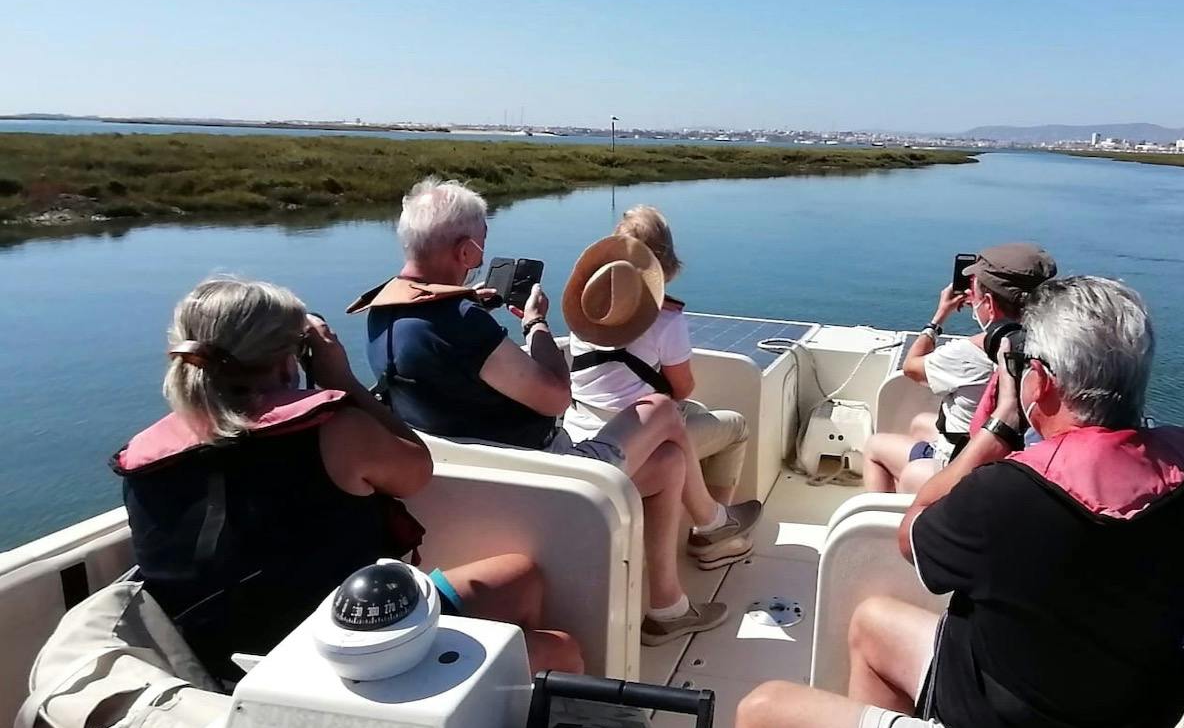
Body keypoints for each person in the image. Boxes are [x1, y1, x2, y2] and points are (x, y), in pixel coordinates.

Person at [737, 277, 1184, 728]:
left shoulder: (1009, 494)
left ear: (1042, 380)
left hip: (1008, 713)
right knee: (872, 622)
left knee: (763, 707)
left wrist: (1000, 431)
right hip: (1131, 712)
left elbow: (913, 535)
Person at [112, 277, 582, 684]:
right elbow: (417, 467)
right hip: (341, 659)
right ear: (288, 358)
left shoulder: (145, 461)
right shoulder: (337, 430)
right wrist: (343, 381)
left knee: (520, 577)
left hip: (227, 661)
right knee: (559, 650)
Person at [349, 176, 748, 644]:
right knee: (659, 407)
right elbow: (557, 395)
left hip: (482, 479)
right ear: (465, 251)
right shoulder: (461, 324)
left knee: (668, 461)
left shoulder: (383, 312)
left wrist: (469, 303)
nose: (480, 259)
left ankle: (668, 607)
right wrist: (536, 324)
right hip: (553, 478)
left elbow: (453, 367)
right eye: (480, 248)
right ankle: (713, 523)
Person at [564, 205, 751, 517]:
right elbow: (682, 388)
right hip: (636, 439)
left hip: (579, 430)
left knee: (698, 413)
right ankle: (717, 526)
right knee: (736, 427)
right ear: (662, 264)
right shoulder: (666, 321)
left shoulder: (585, 311)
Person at [862, 243, 1055, 493]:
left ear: (988, 302)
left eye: (974, 292)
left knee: (875, 447)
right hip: (1008, 455)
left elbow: (911, 367)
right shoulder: (1051, 346)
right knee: (920, 423)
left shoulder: (970, 353)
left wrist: (939, 317)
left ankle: (883, 517)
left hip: (964, 461)